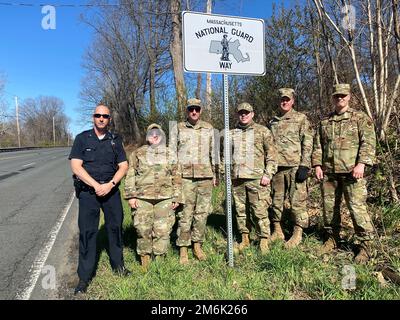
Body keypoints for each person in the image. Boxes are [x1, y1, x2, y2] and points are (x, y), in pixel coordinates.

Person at [69, 104, 130, 294]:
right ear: (93, 117)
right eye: (98, 115)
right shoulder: (82, 138)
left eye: (105, 116)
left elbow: (123, 166)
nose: (101, 118)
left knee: (116, 229)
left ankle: (118, 266)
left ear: (109, 119)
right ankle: (84, 277)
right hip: (89, 193)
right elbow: (76, 166)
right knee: (87, 233)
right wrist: (96, 186)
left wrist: (110, 184)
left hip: (111, 192)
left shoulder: (115, 140)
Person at [312, 83, 376, 264]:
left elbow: (368, 143)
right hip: (329, 173)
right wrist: (317, 165)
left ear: (349, 97)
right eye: (337, 96)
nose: (340, 99)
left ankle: (365, 246)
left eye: (343, 96)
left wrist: (361, 164)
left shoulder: (360, 118)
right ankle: (332, 239)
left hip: (352, 173)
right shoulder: (325, 122)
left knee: (357, 209)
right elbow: (318, 146)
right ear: (332, 98)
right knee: (329, 209)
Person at [124, 124, 184, 269]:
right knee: (142, 229)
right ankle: (145, 259)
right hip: (142, 198)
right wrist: (131, 196)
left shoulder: (170, 154)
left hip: (165, 199)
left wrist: (177, 197)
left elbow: (177, 176)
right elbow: (130, 174)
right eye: (152, 133)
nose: (155, 135)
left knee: (163, 230)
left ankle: (159, 258)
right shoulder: (137, 154)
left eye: (158, 133)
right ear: (147, 137)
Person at [172, 98, 218, 265]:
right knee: (185, 214)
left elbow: (214, 153)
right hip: (185, 178)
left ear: (201, 111)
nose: (194, 112)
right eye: (191, 109)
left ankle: (197, 245)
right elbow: (172, 154)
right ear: (187, 110)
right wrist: (174, 179)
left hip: (205, 176)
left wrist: (215, 175)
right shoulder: (178, 128)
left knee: (202, 214)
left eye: (197, 109)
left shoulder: (209, 128)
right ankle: (183, 247)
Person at [228, 102, 278, 255]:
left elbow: (272, 156)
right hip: (237, 179)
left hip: (257, 179)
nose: (244, 115)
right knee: (241, 211)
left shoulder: (263, 131)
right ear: (237, 114)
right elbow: (226, 156)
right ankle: (245, 238)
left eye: (247, 112)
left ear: (252, 114)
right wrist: (227, 175)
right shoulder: (231, 133)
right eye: (241, 112)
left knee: (260, 211)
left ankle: (263, 239)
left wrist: (268, 174)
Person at [268, 88, 313, 248]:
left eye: (287, 99)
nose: (284, 102)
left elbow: (307, 142)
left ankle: (297, 233)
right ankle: (278, 231)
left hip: (295, 166)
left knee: (297, 201)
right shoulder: (273, 121)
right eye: (282, 99)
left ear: (293, 101)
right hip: (277, 168)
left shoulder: (300, 118)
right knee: (276, 201)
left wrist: (305, 165)